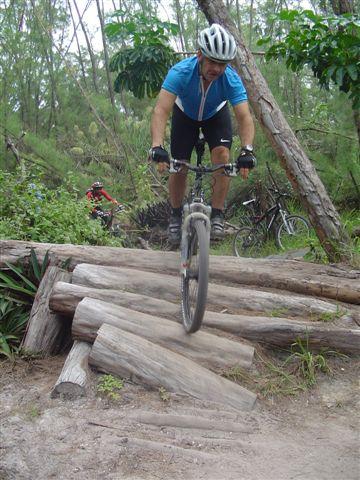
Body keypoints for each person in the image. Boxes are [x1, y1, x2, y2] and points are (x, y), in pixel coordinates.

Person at [149, 23, 256, 245]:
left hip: (215, 115)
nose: (216, 68)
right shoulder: (180, 72)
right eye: (212, 61)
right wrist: (157, 145)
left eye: (222, 64)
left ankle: (217, 213)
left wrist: (247, 150)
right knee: (179, 164)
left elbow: (245, 117)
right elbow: (161, 110)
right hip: (184, 114)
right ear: (200, 55)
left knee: (223, 157)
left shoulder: (231, 79)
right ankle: (176, 214)